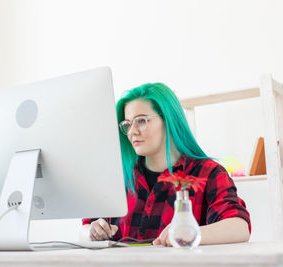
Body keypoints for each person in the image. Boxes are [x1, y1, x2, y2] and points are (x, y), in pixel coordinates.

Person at [79, 83, 251, 246]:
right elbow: (84, 230)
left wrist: (189, 233)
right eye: (127, 124)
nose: (132, 132)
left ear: (169, 120)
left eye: (141, 121)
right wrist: (91, 233)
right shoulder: (117, 177)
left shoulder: (209, 173)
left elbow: (239, 227)